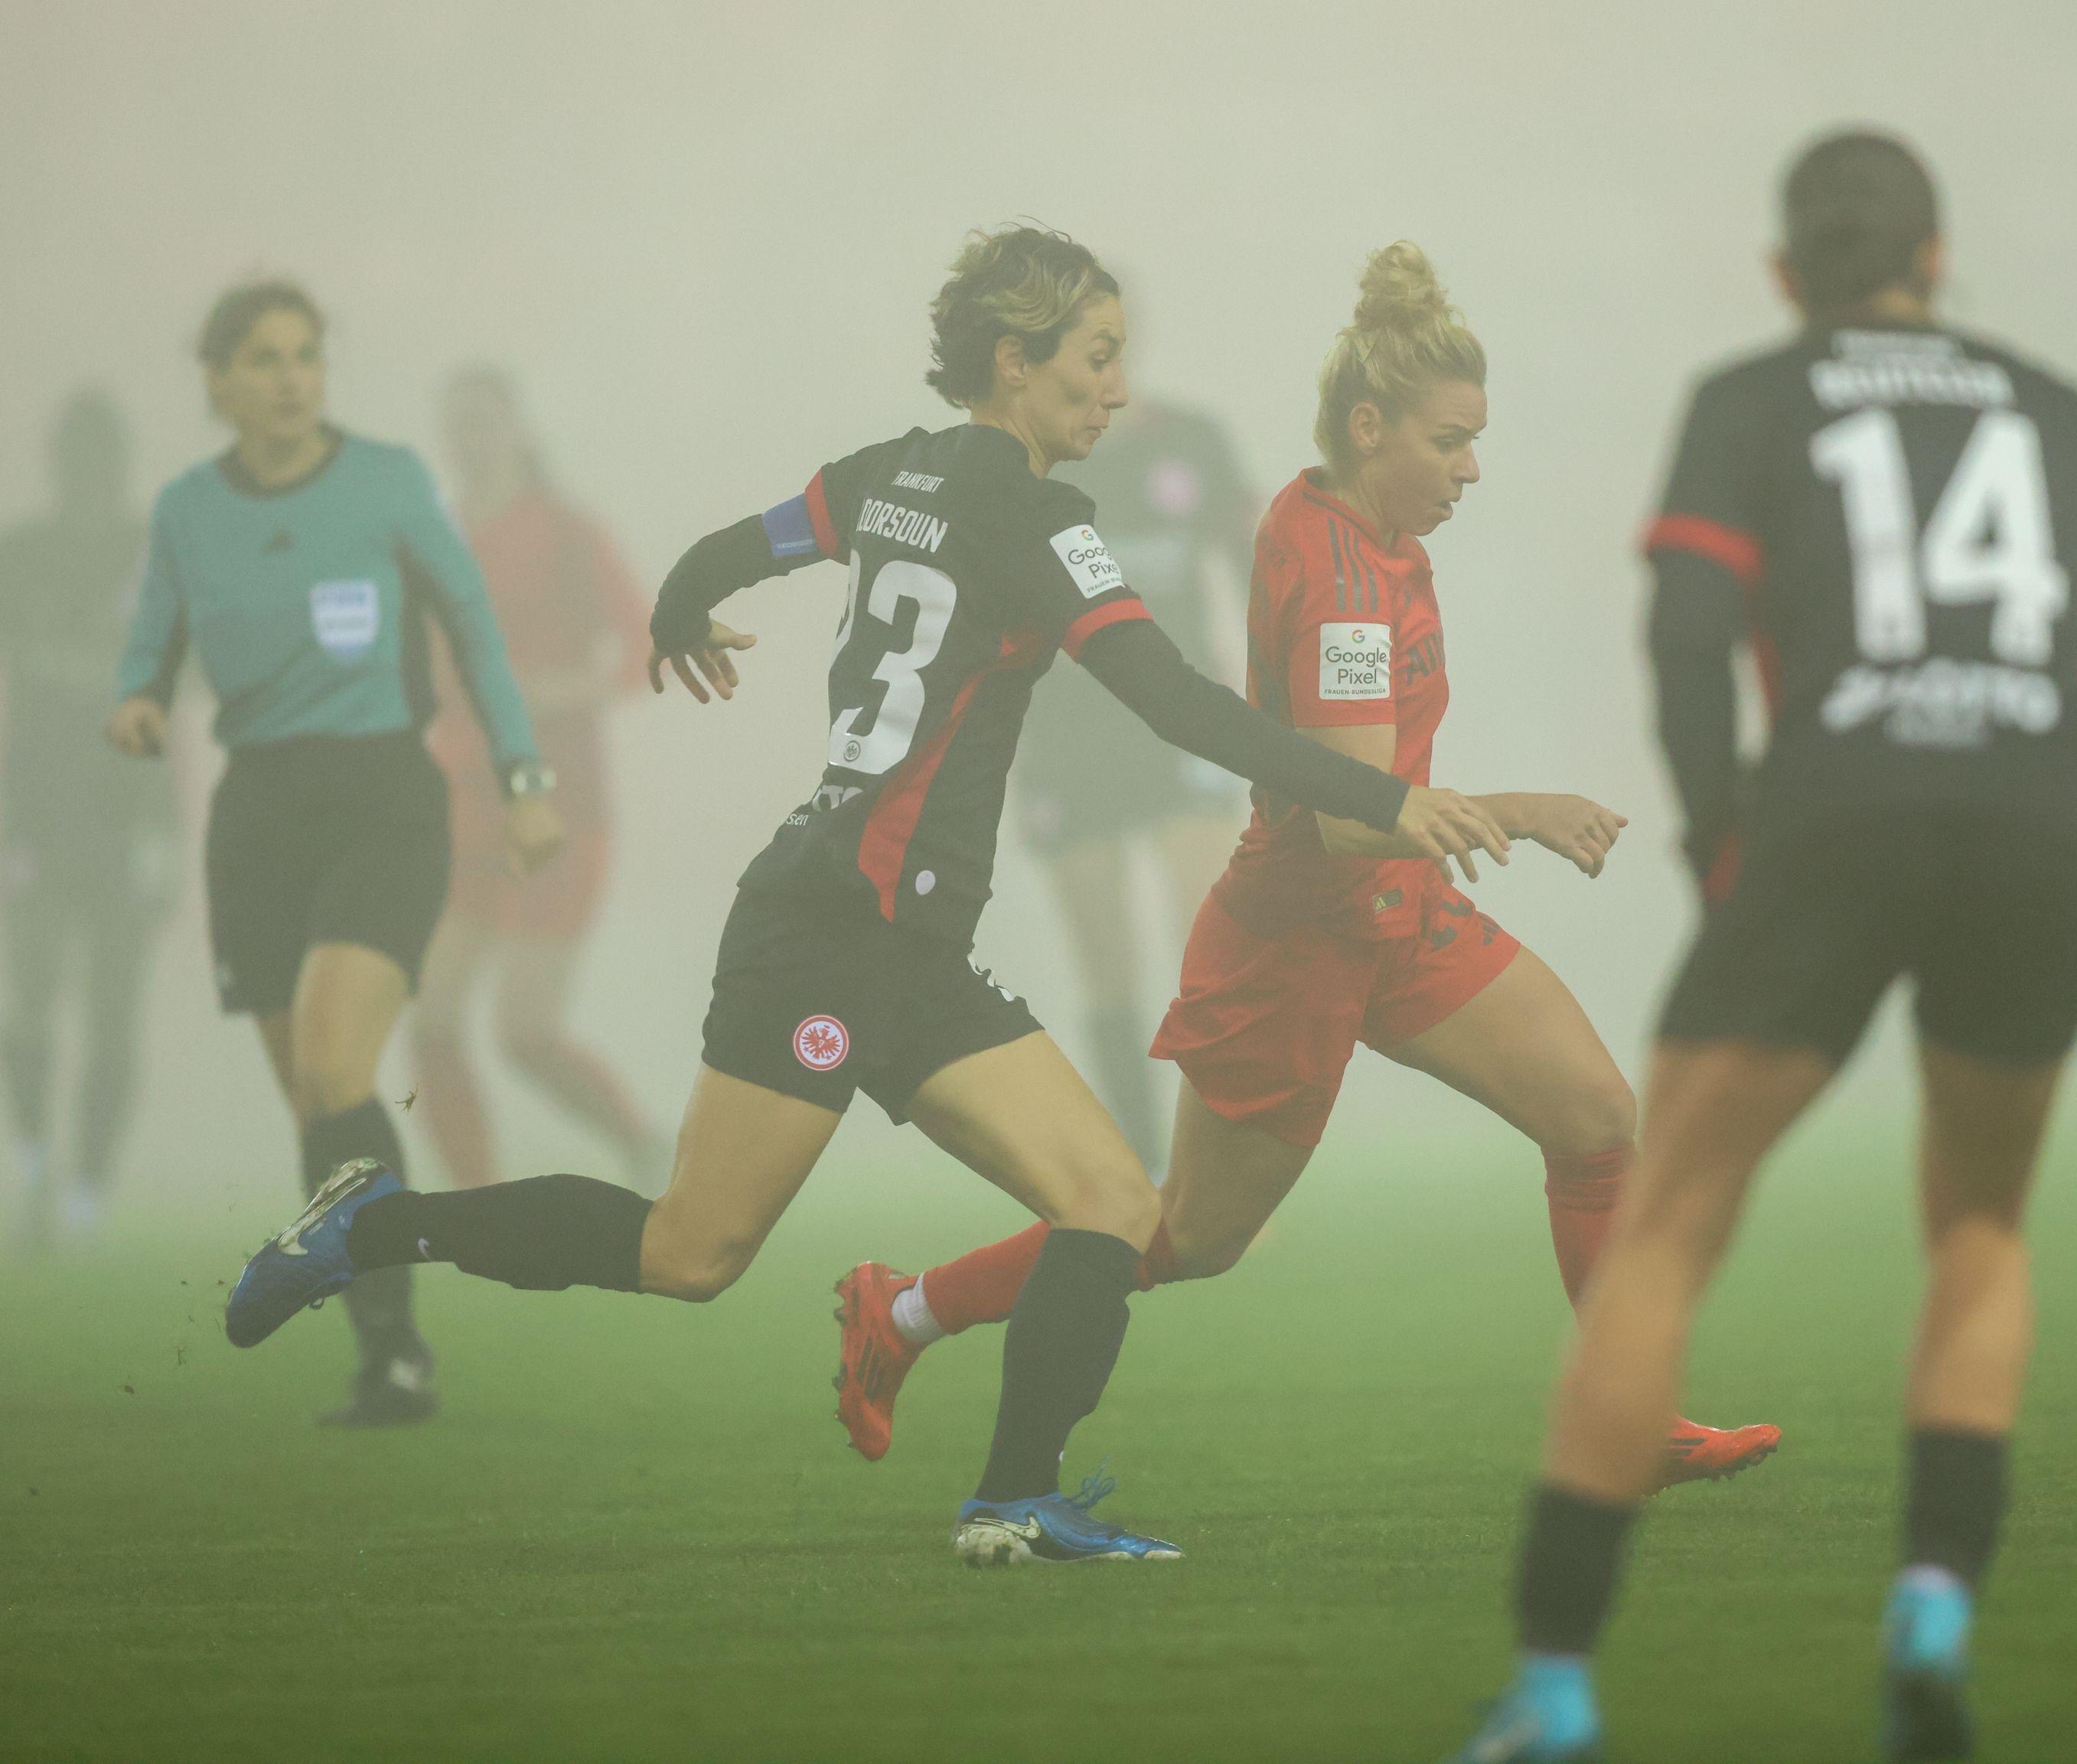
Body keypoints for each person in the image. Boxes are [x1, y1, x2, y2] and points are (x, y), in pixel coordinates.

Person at [220, 226, 1509, 1566]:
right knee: (689, 1254)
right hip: (833, 941)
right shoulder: (1039, 522)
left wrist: (677, 616)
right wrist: (1386, 798)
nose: (1117, 392)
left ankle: (1014, 1502)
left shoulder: (879, 476)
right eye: (1096, 358)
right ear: (1015, 362)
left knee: (1114, 1208)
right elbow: (1173, 700)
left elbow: (723, 554)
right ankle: (375, 1224)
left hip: (903, 943)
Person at [1454, 132, 2077, 1762]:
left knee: (1667, 1238)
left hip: (1834, 816)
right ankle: (1929, 1608)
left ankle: (1557, 1686)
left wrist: (1721, 835)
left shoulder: (1750, 399)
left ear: (1788, 276)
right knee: (1979, 1232)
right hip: (2038, 831)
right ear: (1936, 255)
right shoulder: (2048, 402)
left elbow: (1688, 629)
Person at [832, 244, 1782, 1492]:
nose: (1471, 469)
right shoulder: (1335, 575)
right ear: (1372, 424)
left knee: (1598, 1121)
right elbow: (1346, 819)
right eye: (1450, 442)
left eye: (1476, 440)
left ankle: (1626, 1416)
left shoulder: (1365, 529)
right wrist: (1525, 809)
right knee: (1183, 1236)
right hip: (1296, 940)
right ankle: (901, 1314)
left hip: (1399, 920)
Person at [110, 280, 560, 1425]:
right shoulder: (186, 510)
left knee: (335, 1062)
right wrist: (138, 706)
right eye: (261, 358)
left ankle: (401, 1357)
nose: (289, 376)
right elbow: (151, 643)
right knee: (315, 1101)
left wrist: (522, 777)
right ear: (217, 383)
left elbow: (474, 628)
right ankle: (389, 1350)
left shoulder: (389, 483)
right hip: (258, 813)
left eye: (305, 355)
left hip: (383, 799)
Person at [412, 367, 660, 1191]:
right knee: (434, 1020)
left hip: (557, 806)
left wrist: (561, 690)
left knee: (524, 1033)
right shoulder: (433, 540)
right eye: (456, 420)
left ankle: (642, 1143)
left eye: (483, 416)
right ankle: (473, 1206)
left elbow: (645, 647)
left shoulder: (563, 533)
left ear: (516, 427)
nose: (468, 434)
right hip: (465, 806)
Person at [1014, 378, 1257, 1161]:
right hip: (1063, 733)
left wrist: (1291, 689)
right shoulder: (1022, 456)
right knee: (1106, 965)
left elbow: (1260, 564)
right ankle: (1138, 1172)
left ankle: (1209, 1162)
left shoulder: (1191, 438)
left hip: (1181, 719)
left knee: (1209, 943)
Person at [0, 391, 178, 1249]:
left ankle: (86, 1195)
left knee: (114, 1008)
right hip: (33, 816)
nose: (86, 474)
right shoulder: (19, 555)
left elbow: (185, 693)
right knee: (30, 999)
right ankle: (34, 1161)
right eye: (75, 456)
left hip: (128, 818)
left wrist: (166, 830)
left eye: (98, 458)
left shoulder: (153, 559)